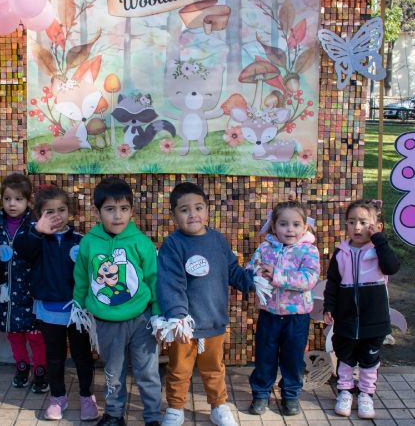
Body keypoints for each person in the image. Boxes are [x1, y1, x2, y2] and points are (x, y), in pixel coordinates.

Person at [157, 182, 263, 426]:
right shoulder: (173, 245)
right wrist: (178, 316)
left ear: (207, 211)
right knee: (178, 370)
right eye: (184, 210)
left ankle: (218, 406)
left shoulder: (217, 240)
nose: (192, 214)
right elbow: (170, 283)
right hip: (183, 326)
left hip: (214, 322)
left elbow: (233, 271)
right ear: (174, 215)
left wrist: (252, 281)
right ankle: (175, 408)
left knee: (214, 369)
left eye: (198, 207)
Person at [71, 177, 162, 426]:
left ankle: (153, 416)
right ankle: (113, 414)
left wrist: (158, 314)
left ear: (132, 210)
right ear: (98, 211)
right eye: (110, 209)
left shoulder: (140, 242)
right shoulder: (89, 242)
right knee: (113, 372)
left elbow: (154, 279)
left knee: (147, 372)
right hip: (106, 322)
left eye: (124, 209)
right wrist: (77, 306)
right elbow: (81, 277)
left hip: (141, 320)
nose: (118, 216)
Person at [15, 184, 99, 421]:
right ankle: (57, 398)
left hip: (78, 311)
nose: (56, 215)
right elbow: (22, 250)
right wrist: (37, 232)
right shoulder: (35, 239)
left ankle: (86, 397)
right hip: (49, 310)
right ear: (39, 214)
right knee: (54, 356)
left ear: (70, 211)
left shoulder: (81, 240)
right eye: (49, 211)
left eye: (61, 209)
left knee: (83, 356)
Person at [324, 200, 401, 419]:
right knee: (345, 357)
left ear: (376, 226)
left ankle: (367, 394)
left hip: (374, 321)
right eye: (351, 222)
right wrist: (329, 306)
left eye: (363, 222)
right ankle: (345, 392)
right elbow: (332, 284)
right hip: (346, 321)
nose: (357, 227)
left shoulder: (379, 251)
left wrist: (379, 240)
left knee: (369, 360)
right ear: (346, 225)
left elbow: (392, 267)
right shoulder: (340, 254)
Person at [246, 200, 321, 417]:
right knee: (265, 355)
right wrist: (255, 273)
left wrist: (277, 274)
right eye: (284, 224)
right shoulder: (264, 248)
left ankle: (290, 394)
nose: (290, 229)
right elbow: (251, 268)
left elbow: (308, 279)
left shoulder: (309, 251)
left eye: (296, 224)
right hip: (269, 314)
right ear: (273, 226)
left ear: (305, 227)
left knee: (293, 358)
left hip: (296, 317)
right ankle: (260, 393)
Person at [0, 174, 48, 393]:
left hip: (31, 290)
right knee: (14, 333)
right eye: (8, 199)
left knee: (36, 334)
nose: (12, 204)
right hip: (6, 291)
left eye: (19, 199)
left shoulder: (35, 225)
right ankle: (22, 367)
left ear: (28, 201)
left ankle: (41, 370)